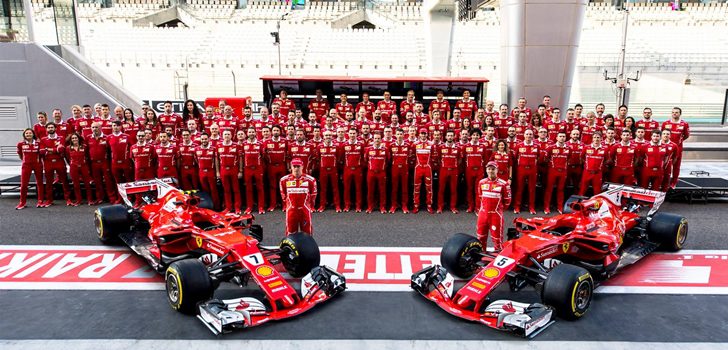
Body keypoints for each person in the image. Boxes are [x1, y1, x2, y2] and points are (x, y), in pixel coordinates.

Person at [476, 161, 512, 251]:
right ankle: (480, 258)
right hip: (483, 214)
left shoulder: (504, 184)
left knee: (497, 240)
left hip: (495, 215)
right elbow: (480, 197)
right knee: (480, 238)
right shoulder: (481, 182)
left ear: (497, 170)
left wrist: (498, 210)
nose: (491, 171)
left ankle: (497, 261)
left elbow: (507, 201)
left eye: (493, 169)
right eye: (489, 169)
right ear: (486, 170)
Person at [280, 158, 317, 235]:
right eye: (294, 166)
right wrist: (288, 205)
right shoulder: (284, 180)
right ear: (291, 167)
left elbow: (313, 195)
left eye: (298, 166)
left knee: (307, 233)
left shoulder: (310, 180)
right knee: (291, 234)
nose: (296, 169)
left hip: (305, 210)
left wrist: (309, 206)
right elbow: (283, 195)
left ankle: (307, 247)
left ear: (302, 167)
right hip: (291, 211)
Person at [39, 122, 72, 206]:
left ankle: (68, 199)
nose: (50, 129)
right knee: (49, 182)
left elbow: (61, 149)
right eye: (49, 127)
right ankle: (49, 200)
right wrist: (55, 150)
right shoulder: (43, 139)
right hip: (48, 162)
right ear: (46, 129)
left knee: (64, 181)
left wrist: (49, 149)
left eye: (52, 127)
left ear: (55, 128)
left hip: (59, 161)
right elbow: (42, 151)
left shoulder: (61, 138)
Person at [86, 122, 117, 204]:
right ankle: (100, 198)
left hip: (105, 162)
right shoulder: (88, 138)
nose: (94, 129)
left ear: (100, 128)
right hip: (94, 163)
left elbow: (111, 151)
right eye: (92, 127)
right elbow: (86, 152)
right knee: (97, 182)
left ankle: (112, 198)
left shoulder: (107, 138)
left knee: (108, 181)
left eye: (96, 127)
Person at [16, 129, 45, 209]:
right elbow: (20, 155)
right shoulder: (20, 144)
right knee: (24, 184)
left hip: (37, 164)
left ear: (33, 134)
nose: (28, 134)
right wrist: (25, 161)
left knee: (39, 183)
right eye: (26, 133)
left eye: (30, 133)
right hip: (26, 165)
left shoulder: (38, 143)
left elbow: (42, 154)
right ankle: (22, 202)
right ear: (24, 135)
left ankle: (40, 201)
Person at [662, 107, 689, 189]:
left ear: (680, 114)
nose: (674, 114)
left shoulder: (684, 124)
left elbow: (686, 135)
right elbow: (663, 134)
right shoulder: (665, 123)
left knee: (676, 166)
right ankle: (662, 181)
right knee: (664, 165)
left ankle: (674, 182)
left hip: (678, 148)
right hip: (666, 148)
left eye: (676, 112)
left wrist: (678, 143)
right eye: (673, 112)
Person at [543, 132, 570, 215]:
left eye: (563, 136)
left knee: (561, 189)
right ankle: (546, 207)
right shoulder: (551, 148)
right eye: (560, 136)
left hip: (563, 171)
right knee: (549, 189)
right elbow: (546, 159)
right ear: (557, 138)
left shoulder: (568, 148)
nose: (562, 138)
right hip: (552, 171)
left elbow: (569, 159)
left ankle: (560, 207)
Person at [513, 129, 539, 214]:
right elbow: (515, 157)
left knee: (532, 189)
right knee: (519, 188)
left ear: (533, 136)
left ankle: (531, 207)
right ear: (524, 135)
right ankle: (517, 206)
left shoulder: (536, 146)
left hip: (532, 169)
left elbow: (538, 157)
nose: (529, 136)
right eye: (527, 134)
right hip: (521, 169)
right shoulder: (519, 145)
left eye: (530, 134)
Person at [217, 130, 242, 213]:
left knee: (236, 189)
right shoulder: (219, 146)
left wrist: (240, 171)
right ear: (222, 136)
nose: (227, 136)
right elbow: (216, 159)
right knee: (226, 190)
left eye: (228, 134)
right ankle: (228, 207)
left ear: (231, 136)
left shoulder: (236, 146)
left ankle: (237, 207)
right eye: (225, 134)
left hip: (234, 169)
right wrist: (217, 171)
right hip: (223, 169)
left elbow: (240, 159)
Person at [316, 131, 341, 212]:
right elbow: (318, 158)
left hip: (333, 170)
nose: (328, 137)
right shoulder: (319, 146)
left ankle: (337, 206)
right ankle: (322, 205)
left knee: (335, 188)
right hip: (323, 170)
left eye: (329, 135)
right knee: (323, 189)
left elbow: (338, 158)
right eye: (326, 135)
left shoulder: (336, 147)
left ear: (332, 136)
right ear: (323, 136)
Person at [242, 127, 265, 215]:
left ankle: (261, 207)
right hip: (247, 169)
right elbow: (242, 157)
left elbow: (262, 157)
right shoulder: (244, 144)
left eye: (252, 132)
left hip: (258, 168)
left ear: (255, 133)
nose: (251, 133)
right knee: (248, 189)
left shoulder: (260, 144)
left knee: (260, 188)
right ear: (247, 134)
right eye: (249, 132)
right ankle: (249, 207)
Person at [65, 133, 93, 206]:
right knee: (76, 185)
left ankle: (90, 200)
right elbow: (67, 158)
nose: (74, 139)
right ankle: (78, 200)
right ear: (71, 140)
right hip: (73, 167)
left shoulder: (84, 146)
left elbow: (87, 156)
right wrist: (72, 164)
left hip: (84, 166)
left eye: (76, 138)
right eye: (73, 138)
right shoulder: (68, 148)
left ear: (79, 138)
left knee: (87, 184)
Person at [264, 125, 288, 211]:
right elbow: (264, 154)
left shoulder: (285, 141)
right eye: (274, 130)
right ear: (271, 132)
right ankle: (273, 205)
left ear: (280, 132)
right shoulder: (267, 142)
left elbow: (288, 154)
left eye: (277, 130)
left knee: (283, 186)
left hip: (282, 166)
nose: (276, 132)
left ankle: (284, 204)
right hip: (271, 166)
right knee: (272, 186)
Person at [194, 133, 220, 210]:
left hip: (211, 172)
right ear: (200, 140)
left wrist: (217, 172)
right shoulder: (197, 149)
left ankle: (217, 207)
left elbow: (216, 161)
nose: (204, 141)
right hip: (202, 172)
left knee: (214, 190)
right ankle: (208, 207)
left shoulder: (213, 149)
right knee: (205, 191)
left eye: (205, 139)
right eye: (202, 139)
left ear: (208, 140)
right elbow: (196, 160)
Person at [364, 133, 389, 213]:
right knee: (370, 190)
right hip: (371, 173)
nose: (377, 140)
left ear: (381, 140)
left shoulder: (385, 149)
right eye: (375, 138)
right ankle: (370, 207)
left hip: (381, 172)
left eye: (378, 138)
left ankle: (382, 207)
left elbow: (388, 160)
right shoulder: (369, 149)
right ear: (373, 139)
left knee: (382, 190)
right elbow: (365, 160)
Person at [463, 129, 486, 213]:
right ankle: (470, 206)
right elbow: (463, 159)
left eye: (477, 135)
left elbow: (485, 159)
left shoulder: (483, 146)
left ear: (480, 136)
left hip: (479, 170)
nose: (475, 137)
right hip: (469, 170)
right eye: (474, 135)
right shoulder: (466, 146)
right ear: (471, 136)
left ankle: (478, 207)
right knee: (469, 189)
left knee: (478, 190)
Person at [342, 128, 364, 212]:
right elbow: (341, 157)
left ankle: (358, 206)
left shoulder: (360, 144)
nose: (352, 135)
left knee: (358, 188)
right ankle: (347, 205)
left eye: (354, 133)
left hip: (358, 169)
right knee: (347, 188)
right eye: (350, 133)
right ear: (348, 134)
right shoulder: (344, 144)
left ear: (357, 134)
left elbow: (363, 157)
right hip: (347, 169)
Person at [389, 128, 411, 213]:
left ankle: (404, 205)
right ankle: (394, 205)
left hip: (404, 168)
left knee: (404, 188)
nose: (399, 136)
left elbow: (410, 157)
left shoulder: (407, 145)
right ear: (395, 135)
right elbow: (389, 158)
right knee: (394, 188)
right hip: (395, 168)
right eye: (397, 134)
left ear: (403, 135)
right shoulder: (392, 145)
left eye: (401, 134)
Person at [412, 129, 434, 213]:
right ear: (419, 134)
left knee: (429, 187)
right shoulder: (415, 144)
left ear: (427, 134)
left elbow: (433, 157)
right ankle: (416, 205)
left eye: (425, 134)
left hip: (428, 168)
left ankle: (429, 205)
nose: (423, 135)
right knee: (416, 187)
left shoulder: (431, 144)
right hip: (418, 168)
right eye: (422, 134)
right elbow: (412, 156)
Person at [579, 132, 607, 196]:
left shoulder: (604, 149)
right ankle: (579, 204)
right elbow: (581, 158)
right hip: (587, 172)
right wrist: (587, 165)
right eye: (594, 137)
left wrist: (599, 166)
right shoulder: (586, 147)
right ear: (592, 138)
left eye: (598, 137)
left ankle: (597, 206)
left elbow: (607, 160)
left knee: (597, 191)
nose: (596, 139)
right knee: (582, 190)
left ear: (601, 139)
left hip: (597, 173)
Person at [108, 121, 132, 190]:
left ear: (121, 127)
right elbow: (108, 150)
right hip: (114, 163)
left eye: (118, 125)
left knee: (128, 180)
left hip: (125, 162)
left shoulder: (127, 136)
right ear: (112, 127)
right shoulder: (109, 137)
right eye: (114, 125)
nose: (116, 127)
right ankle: (120, 198)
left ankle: (130, 197)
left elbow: (132, 148)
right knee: (118, 182)